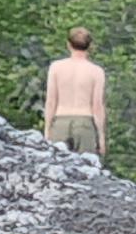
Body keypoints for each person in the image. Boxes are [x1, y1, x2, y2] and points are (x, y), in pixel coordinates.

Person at [41, 29, 107, 161]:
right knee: (86, 169)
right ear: (90, 46)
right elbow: (97, 106)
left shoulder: (56, 67)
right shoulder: (96, 71)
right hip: (85, 123)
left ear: (68, 44)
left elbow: (51, 101)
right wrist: (101, 136)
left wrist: (47, 130)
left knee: (56, 167)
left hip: (60, 121)